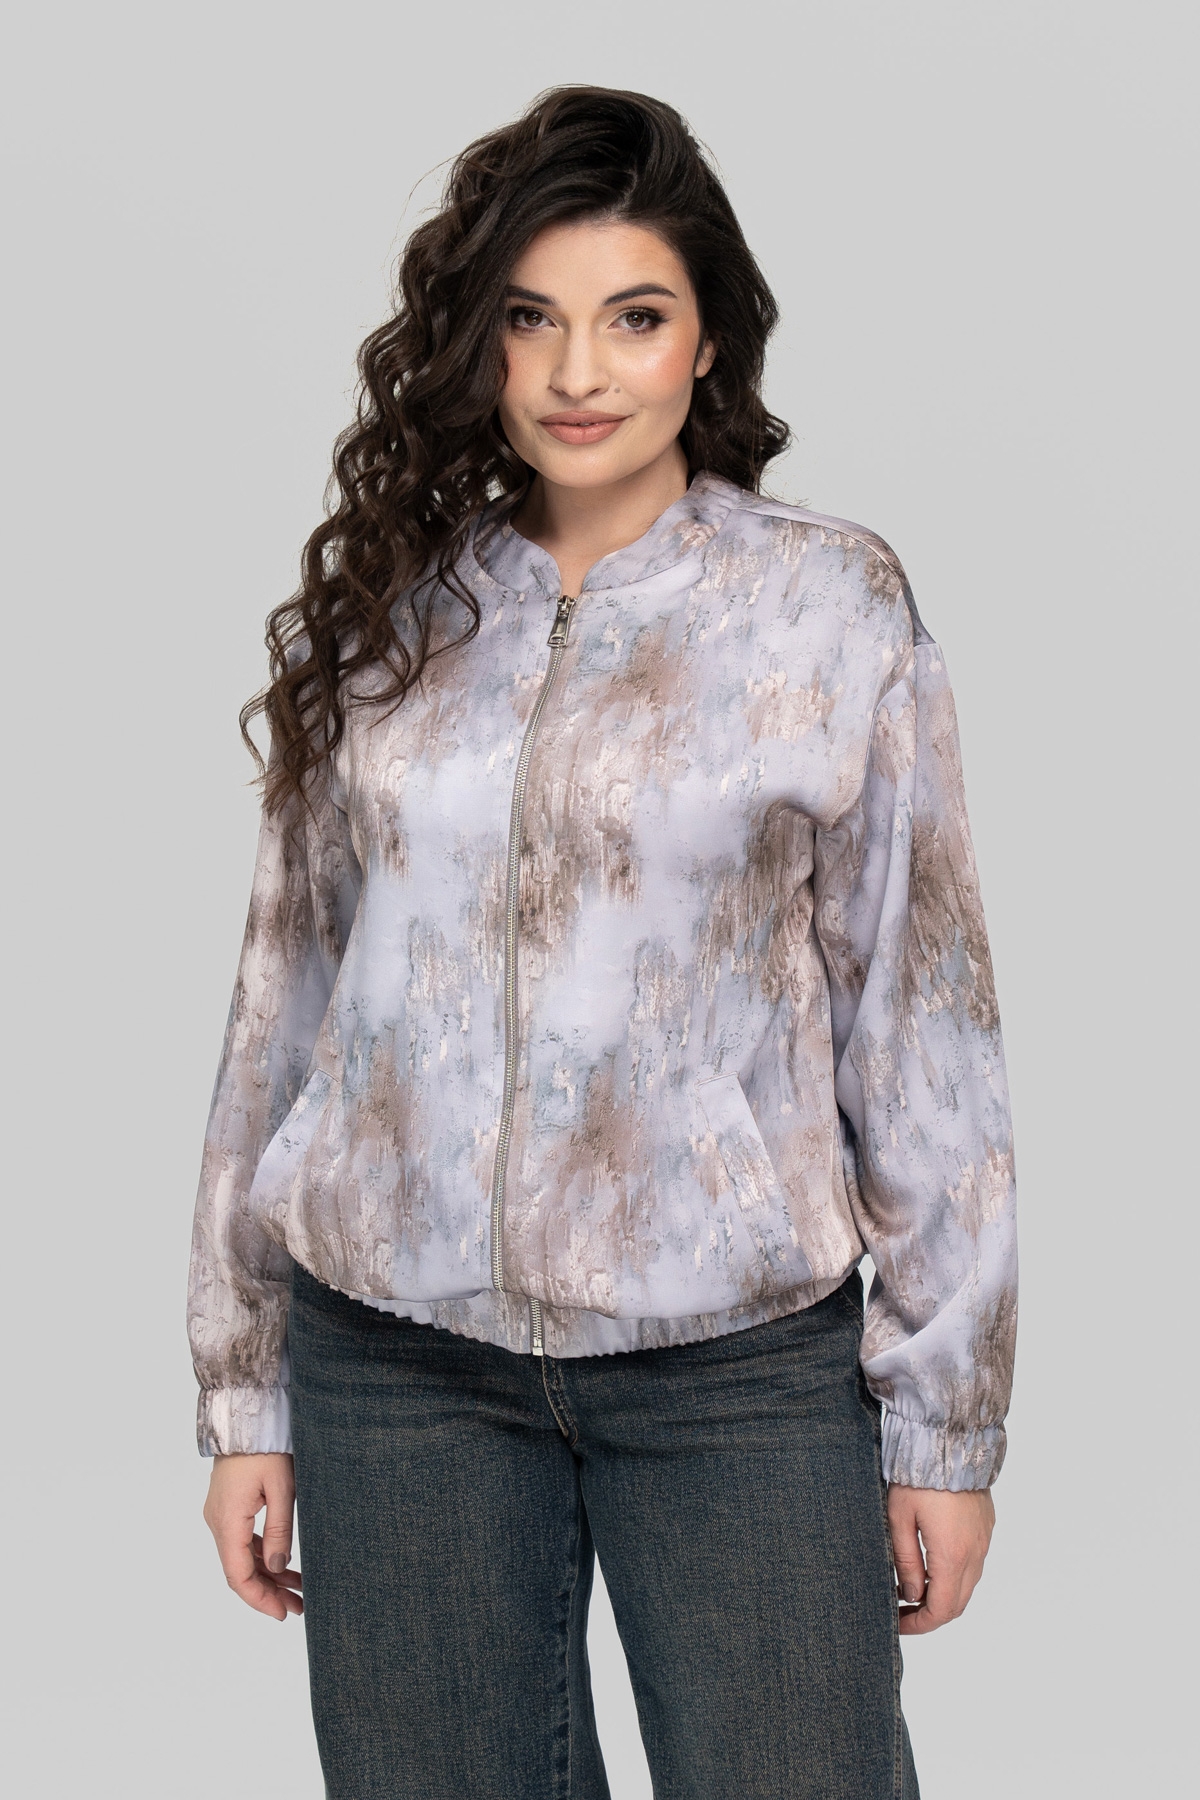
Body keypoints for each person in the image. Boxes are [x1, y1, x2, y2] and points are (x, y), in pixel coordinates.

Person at [190, 85, 1017, 1800]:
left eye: (635, 318)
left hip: (734, 1366)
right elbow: (287, 1004)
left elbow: (922, 1023)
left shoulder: (825, 610)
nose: (579, 372)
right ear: (480, 345)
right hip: (395, 1361)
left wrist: (945, 1422)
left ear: (708, 343)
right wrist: (246, 1386)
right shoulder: (397, 610)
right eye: (532, 320)